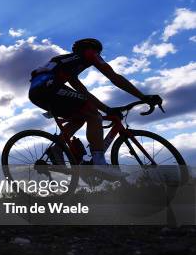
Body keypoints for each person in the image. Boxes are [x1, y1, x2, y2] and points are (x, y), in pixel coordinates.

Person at [29, 38, 161, 169]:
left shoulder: (69, 67)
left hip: (38, 92)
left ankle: (57, 149)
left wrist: (107, 109)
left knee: (80, 117)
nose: (99, 56)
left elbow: (85, 95)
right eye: (98, 53)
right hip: (48, 87)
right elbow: (114, 77)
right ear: (92, 49)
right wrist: (143, 97)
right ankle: (99, 162)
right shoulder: (89, 54)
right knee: (93, 114)